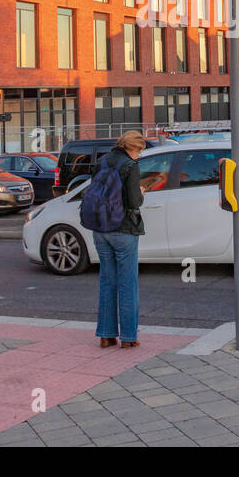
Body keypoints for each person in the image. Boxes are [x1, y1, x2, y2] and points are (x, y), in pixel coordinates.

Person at [94, 130, 146, 348]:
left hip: (100, 228)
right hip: (124, 229)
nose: (139, 156)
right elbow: (134, 201)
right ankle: (128, 337)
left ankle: (106, 336)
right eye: (139, 151)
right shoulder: (130, 166)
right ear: (132, 148)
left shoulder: (101, 162)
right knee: (127, 283)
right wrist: (141, 191)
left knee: (107, 281)